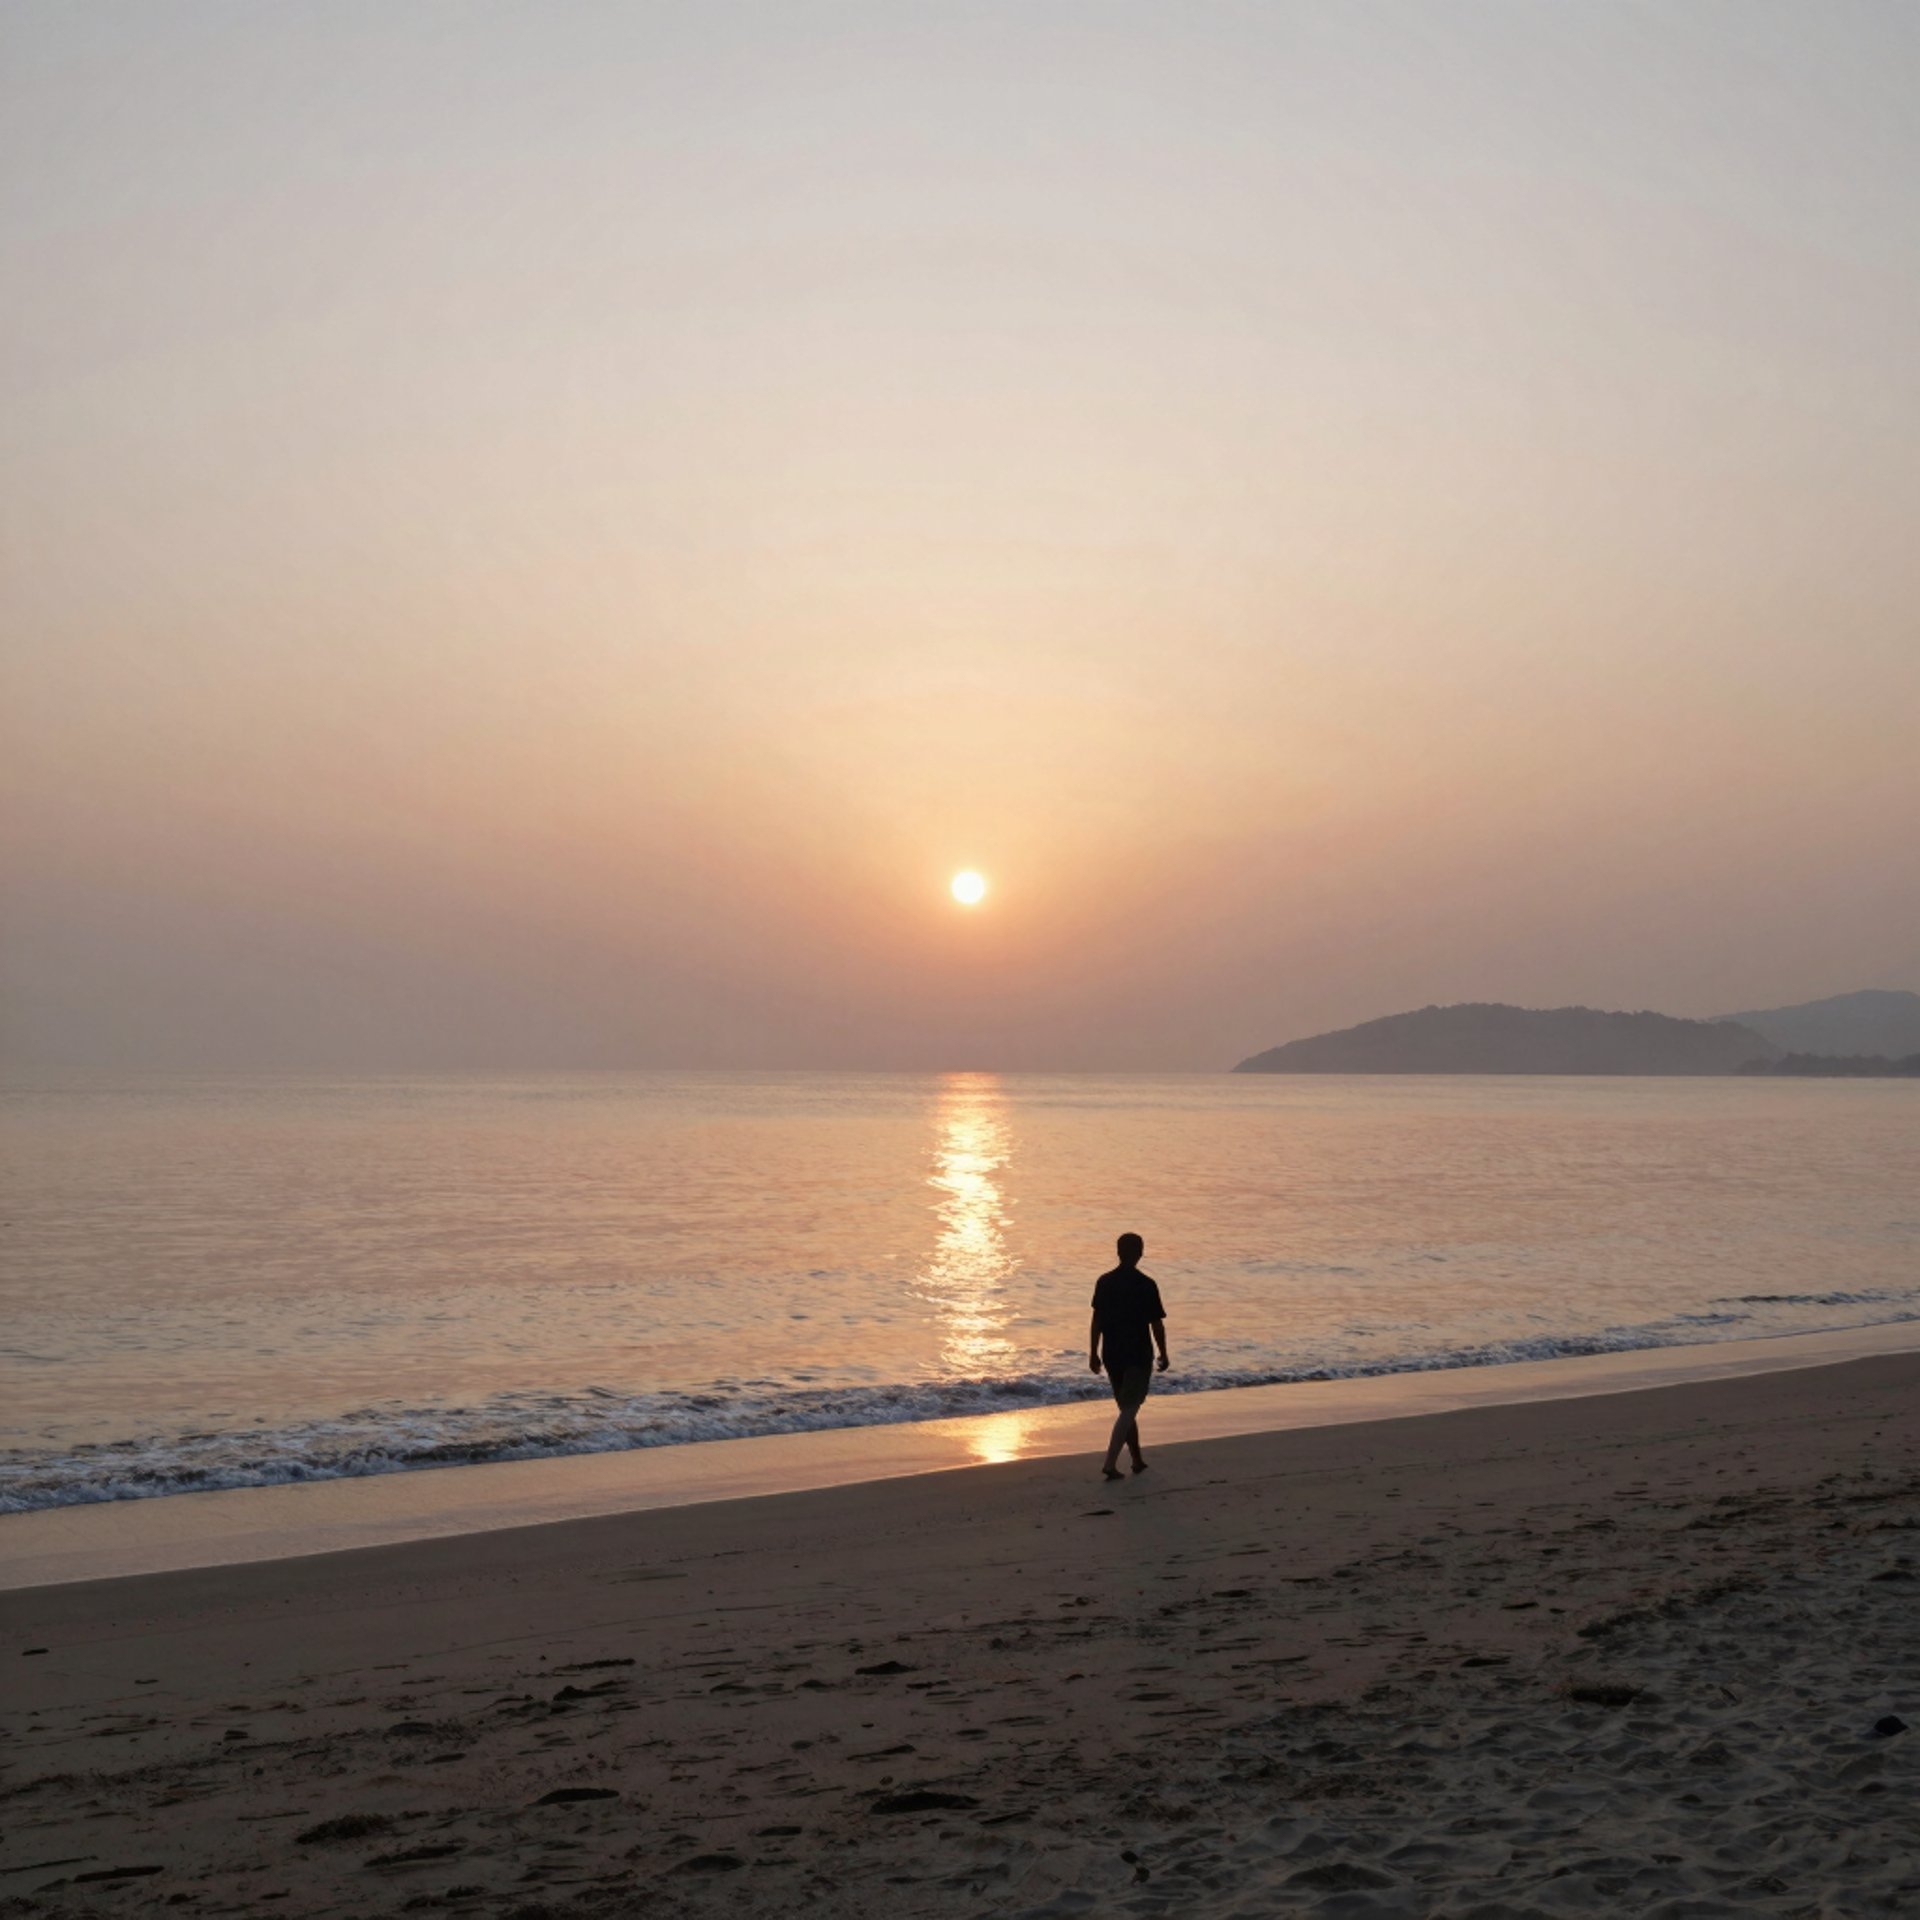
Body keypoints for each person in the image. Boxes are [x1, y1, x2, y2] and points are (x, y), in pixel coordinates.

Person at [1089, 1231, 1170, 1481]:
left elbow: (1096, 1321)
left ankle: (1136, 1459)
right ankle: (1110, 1463)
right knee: (1130, 1409)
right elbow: (1156, 1324)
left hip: (1112, 1353)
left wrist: (1093, 1352)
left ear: (1118, 1252)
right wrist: (1163, 1353)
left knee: (1127, 1408)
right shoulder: (1146, 1284)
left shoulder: (1104, 1282)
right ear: (1140, 1253)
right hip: (1137, 1353)